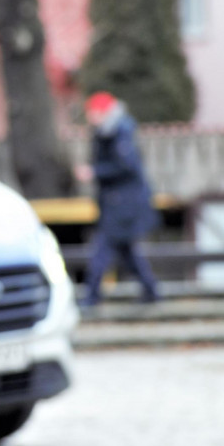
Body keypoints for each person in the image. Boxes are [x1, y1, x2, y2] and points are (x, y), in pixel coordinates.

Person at [77, 92, 160, 306]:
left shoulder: (118, 132)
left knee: (103, 249)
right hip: (118, 203)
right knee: (126, 251)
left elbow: (127, 166)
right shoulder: (109, 131)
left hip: (122, 204)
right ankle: (151, 291)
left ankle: (91, 297)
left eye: (92, 113)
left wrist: (95, 172)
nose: (89, 117)